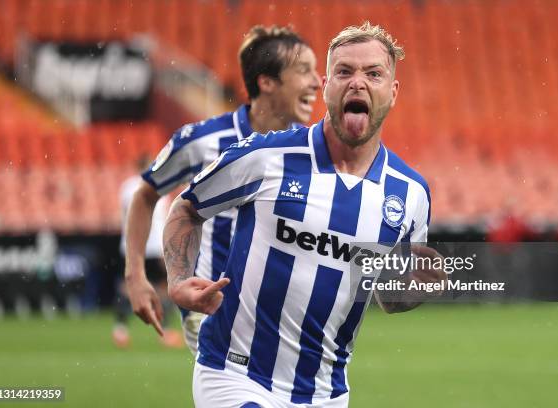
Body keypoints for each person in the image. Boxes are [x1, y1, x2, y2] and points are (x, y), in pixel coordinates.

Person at [163, 22, 446, 407]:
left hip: (326, 393)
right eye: (345, 71)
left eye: (373, 74)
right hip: (236, 375)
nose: (357, 83)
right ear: (327, 85)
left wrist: (416, 288)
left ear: (392, 92)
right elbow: (187, 208)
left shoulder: (410, 194)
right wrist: (179, 277)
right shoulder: (265, 156)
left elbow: (386, 297)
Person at [124, 25, 321, 354]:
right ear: (267, 82)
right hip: (213, 311)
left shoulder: (312, 149)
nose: (317, 82)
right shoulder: (203, 141)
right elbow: (145, 195)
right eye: (304, 71)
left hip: (283, 318)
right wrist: (135, 275)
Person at [113, 155, 183, 349]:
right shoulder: (160, 187)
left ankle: (120, 330)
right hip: (153, 246)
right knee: (163, 287)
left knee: (129, 287)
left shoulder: (128, 187)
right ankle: (165, 331)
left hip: (132, 245)